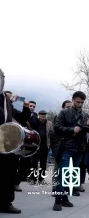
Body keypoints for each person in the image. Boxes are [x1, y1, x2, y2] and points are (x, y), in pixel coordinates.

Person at [52, 91, 89, 211]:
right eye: (77, 102)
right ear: (73, 100)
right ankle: (58, 200)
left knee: (72, 175)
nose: (80, 104)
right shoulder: (64, 113)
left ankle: (65, 198)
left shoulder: (85, 115)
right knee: (63, 173)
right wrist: (71, 130)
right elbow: (57, 128)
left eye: (82, 102)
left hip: (79, 148)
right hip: (67, 146)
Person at [0, 69, 31, 213]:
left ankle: (6, 203)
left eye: (1, 77)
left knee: (8, 173)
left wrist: (26, 109)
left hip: (6, 143)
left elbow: (20, 117)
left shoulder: (6, 100)